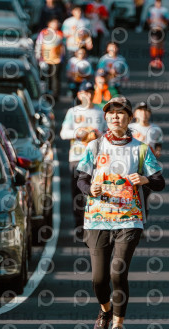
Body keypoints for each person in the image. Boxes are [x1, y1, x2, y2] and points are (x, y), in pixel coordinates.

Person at [76, 96, 165, 329]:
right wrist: (90, 189)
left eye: (121, 113)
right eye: (111, 113)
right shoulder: (95, 146)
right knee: (98, 279)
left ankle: (117, 327)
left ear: (129, 118)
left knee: (118, 271)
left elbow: (159, 181)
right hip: (97, 219)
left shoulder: (141, 149)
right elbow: (81, 179)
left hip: (130, 218)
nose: (115, 117)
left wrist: (145, 180)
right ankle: (105, 310)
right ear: (106, 118)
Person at [60, 80, 107, 238]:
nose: (89, 95)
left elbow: (108, 133)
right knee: (78, 192)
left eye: (91, 92)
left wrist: (98, 135)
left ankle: (96, 223)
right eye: (85, 93)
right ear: (79, 95)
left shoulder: (100, 112)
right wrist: (78, 133)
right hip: (77, 158)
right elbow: (63, 133)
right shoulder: (73, 112)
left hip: (97, 159)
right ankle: (80, 225)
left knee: (96, 190)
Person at [129, 101, 164, 219]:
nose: (143, 113)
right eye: (140, 110)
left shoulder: (156, 129)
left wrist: (158, 150)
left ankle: (142, 220)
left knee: (144, 194)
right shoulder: (130, 128)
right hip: (132, 164)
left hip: (147, 166)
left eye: (146, 111)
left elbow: (158, 143)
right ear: (135, 113)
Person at [35, 18, 66, 101]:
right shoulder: (43, 33)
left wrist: (63, 58)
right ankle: (45, 94)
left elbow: (63, 47)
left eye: (57, 23)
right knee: (44, 78)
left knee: (55, 77)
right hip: (45, 59)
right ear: (49, 23)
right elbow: (38, 44)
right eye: (53, 23)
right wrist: (39, 58)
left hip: (57, 60)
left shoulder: (60, 34)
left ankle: (55, 95)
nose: (56, 24)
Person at [145, 0, 169, 69]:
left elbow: (167, 20)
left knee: (160, 45)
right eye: (157, 2)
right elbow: (148, 19)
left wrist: (162, 20)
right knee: (154, 44)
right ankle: (153, 60)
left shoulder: (164, 10)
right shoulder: (151, 10)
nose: (158, 4)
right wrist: (151, 22)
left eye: (159, 2)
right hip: (154, 29)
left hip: (162, 29)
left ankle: (159, 60)